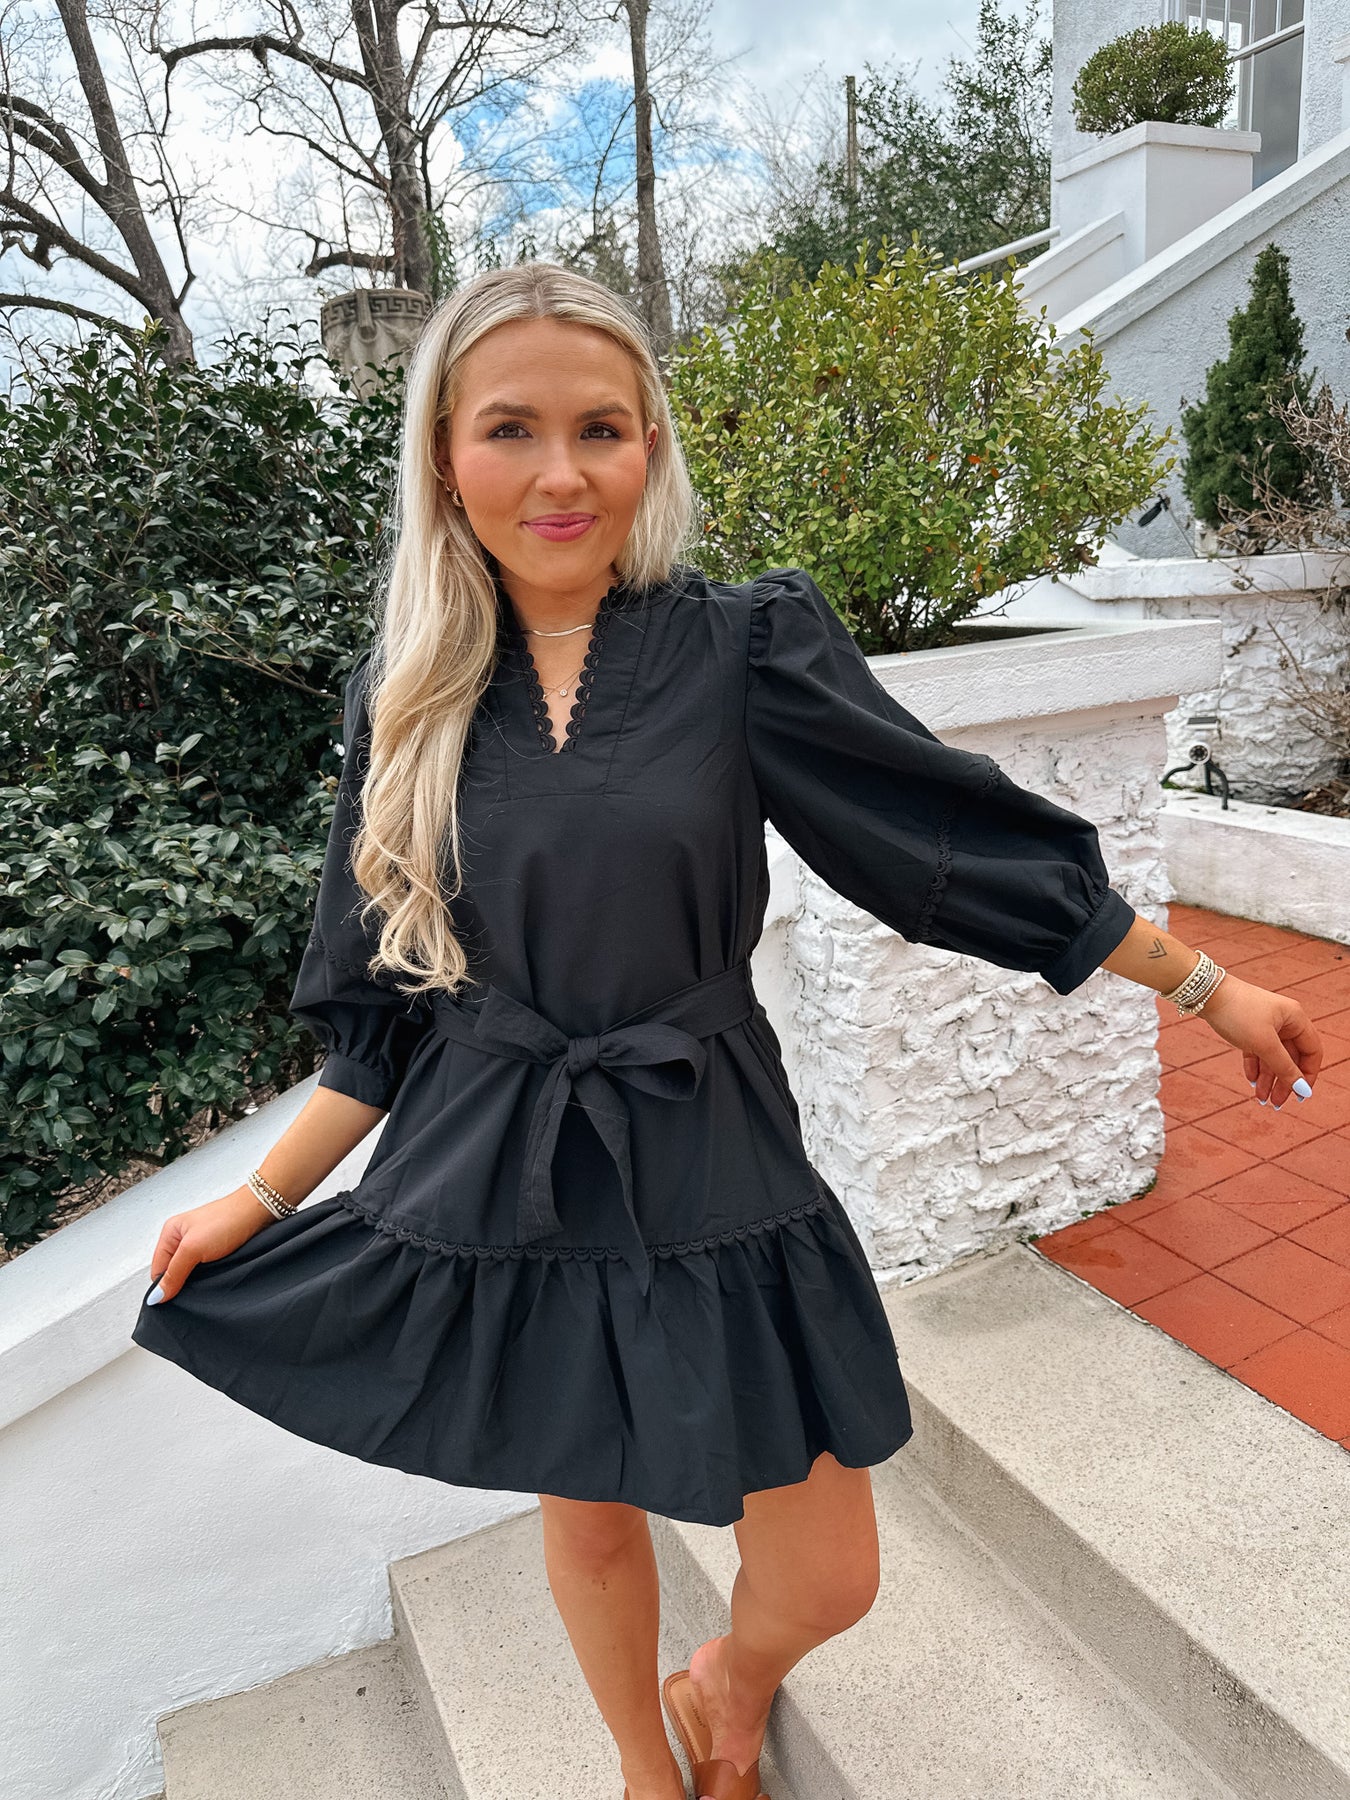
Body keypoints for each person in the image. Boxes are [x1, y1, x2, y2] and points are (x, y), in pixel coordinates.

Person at [130, 263, 1323, 1800]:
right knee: (587, 1518)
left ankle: (729, 1679)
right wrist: (257, 1198)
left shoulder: (740, 647)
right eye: (510, 428)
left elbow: (943, 848)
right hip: (507, 1160)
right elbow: (377, 1017)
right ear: (443, 453)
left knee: (829, 1572)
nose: (560, 473)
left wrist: (1205, 987)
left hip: (712, 1142)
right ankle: (648, 1764)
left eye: (600, 427)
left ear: (649, 444)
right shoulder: (405, 695)